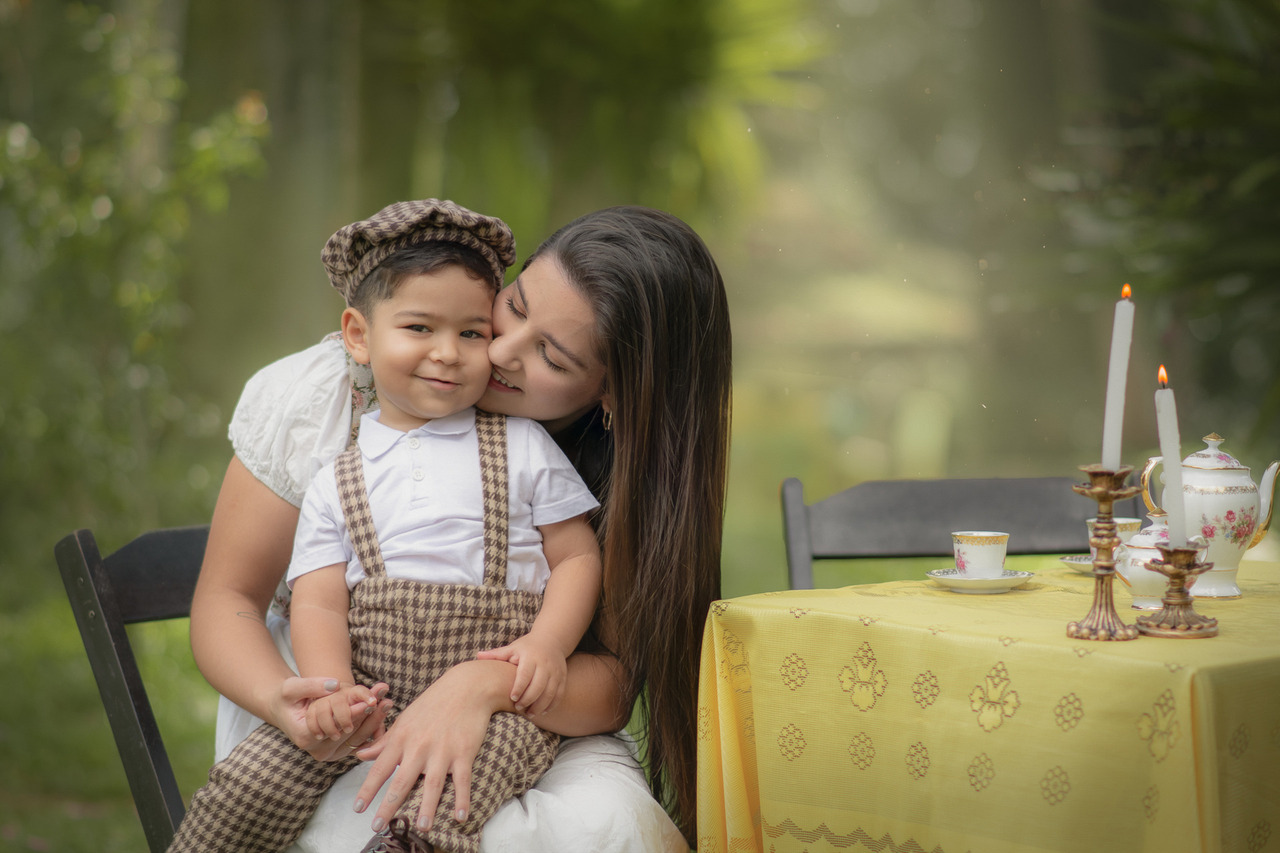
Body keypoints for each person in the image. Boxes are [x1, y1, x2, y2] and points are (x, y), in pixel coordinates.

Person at [190, 201, 732, 852]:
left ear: (611, 393)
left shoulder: (579, 465)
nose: (496, 353)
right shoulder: (328, 399)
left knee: (611, 827)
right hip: (332, 692)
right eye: (517, 305)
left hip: (530, 708)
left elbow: (610, 680)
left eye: (551, 358)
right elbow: (230, 599)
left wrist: (481, 685)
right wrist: (289, 699)